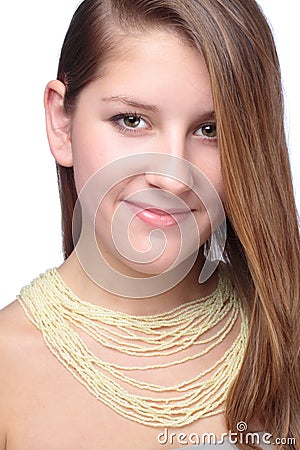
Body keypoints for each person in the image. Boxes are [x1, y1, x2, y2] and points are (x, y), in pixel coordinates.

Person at [0, 0, 299, 449]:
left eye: (211, 130)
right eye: (132, 120)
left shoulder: (287, 344)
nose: (173, 176)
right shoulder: (8, 371)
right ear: (61, 122)